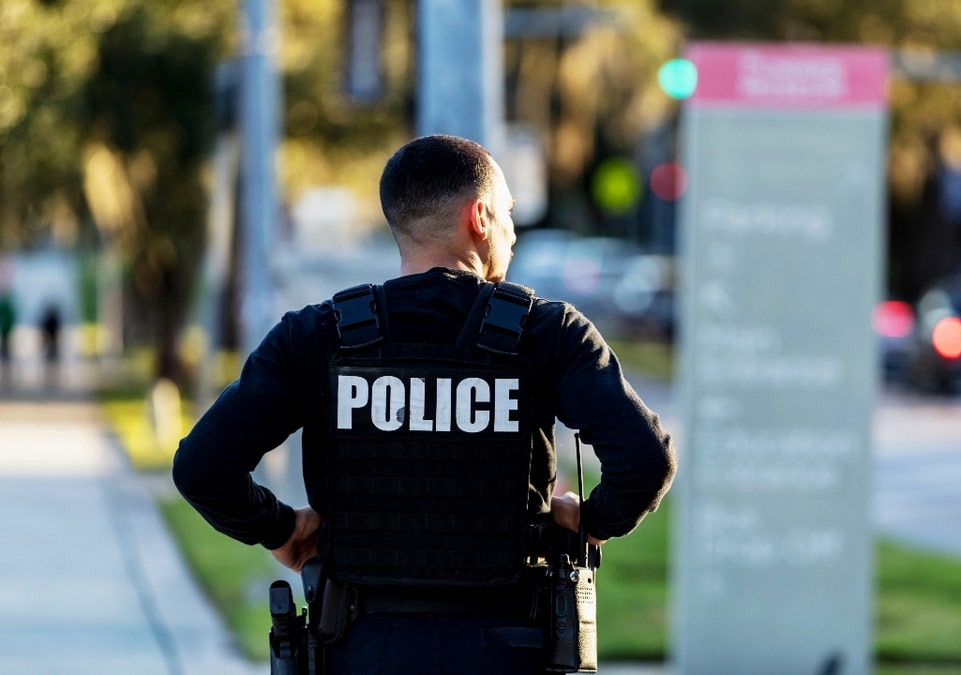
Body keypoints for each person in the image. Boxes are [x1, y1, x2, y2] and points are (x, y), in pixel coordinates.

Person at [173, 134, 676, 673]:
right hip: (508, 648)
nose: (512, 234)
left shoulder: (319, 335)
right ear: (479, 217)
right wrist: (588, 524)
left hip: (358, 648)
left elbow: (203, 468)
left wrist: (282, 530)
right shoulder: (548, 333)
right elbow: (645, 462)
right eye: (507, 215)